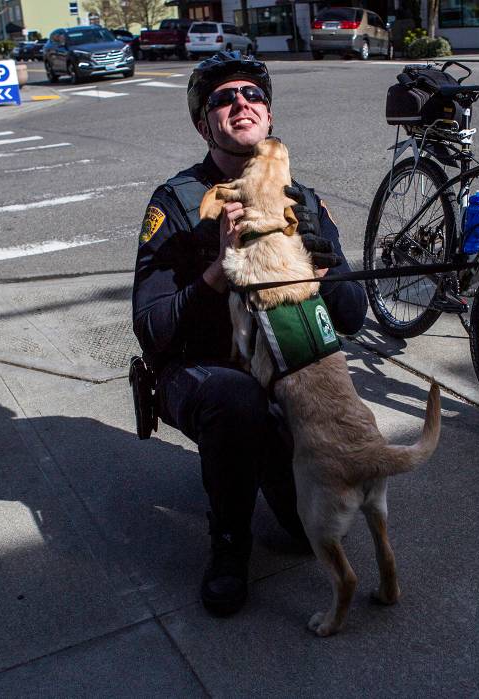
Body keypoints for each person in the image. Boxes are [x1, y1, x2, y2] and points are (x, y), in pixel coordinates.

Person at [132, 51, 368, 617]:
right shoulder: (179, 203)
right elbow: (151, 328)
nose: (241, 103)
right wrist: (217, 270)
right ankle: (229, 542)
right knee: (234, 399)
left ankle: (261, 454)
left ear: (267, 115)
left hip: (281, 377)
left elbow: (352, 317)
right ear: (203, 124)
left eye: (253, 95)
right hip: (201, 372)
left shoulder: (301, 197)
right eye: (223, 98)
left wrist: (328, 261)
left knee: (298, 533)